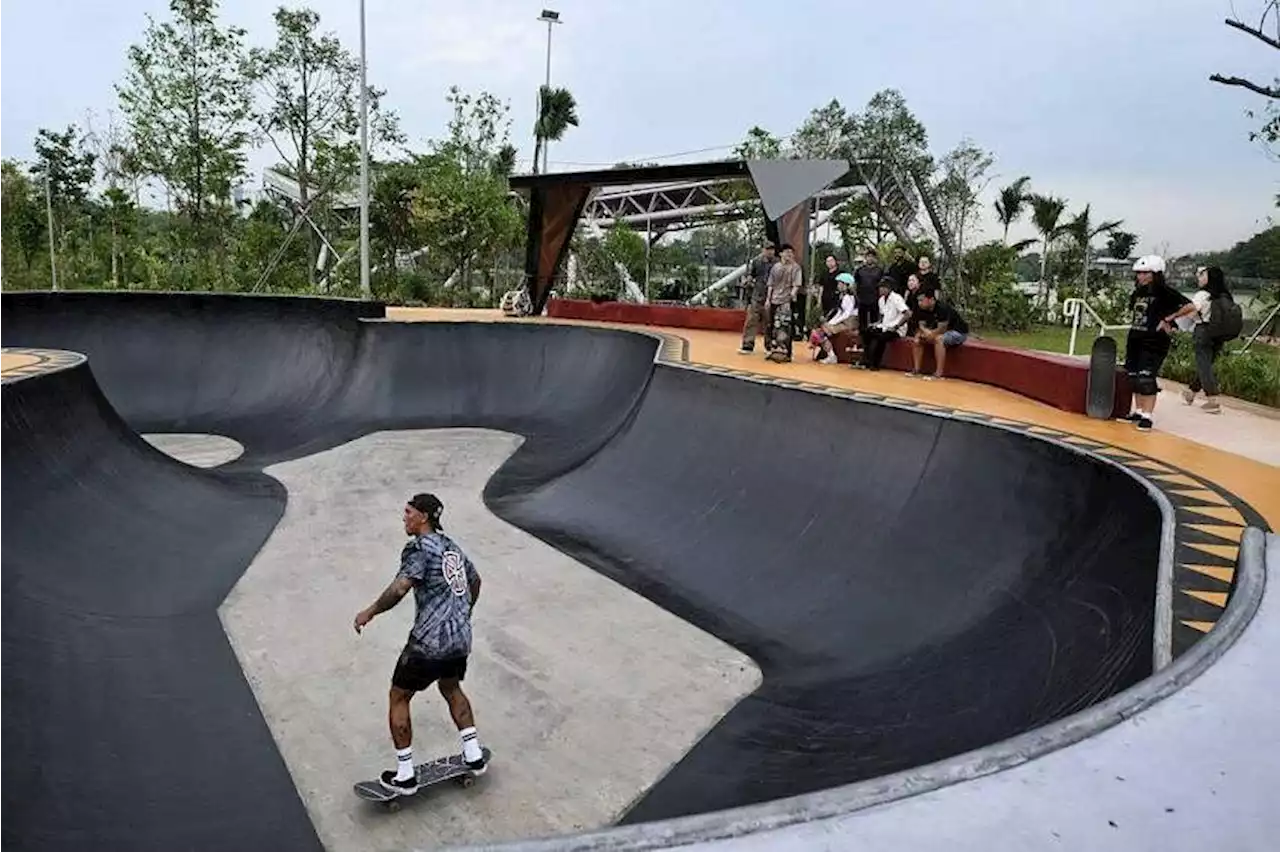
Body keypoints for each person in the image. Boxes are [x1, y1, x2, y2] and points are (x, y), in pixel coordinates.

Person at [354, 493, 487, 795]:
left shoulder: (418, 549)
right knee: (451, 687)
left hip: (429, 643)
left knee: (398, 696)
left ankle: (405, 775)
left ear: (423, 516)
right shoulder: (450, 546)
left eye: (408, 512)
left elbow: (400, 588)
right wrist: (463, 613)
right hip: (460, 638)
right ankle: (474, 754)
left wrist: (370, 611)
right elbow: (475, 581)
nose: (404, 517)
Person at [1120, 255, 1191, 430]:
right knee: (1134, 376)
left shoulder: (1164, 292)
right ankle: (1137, 410)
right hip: (1136, 337)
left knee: (1146, 377)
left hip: (1155, 340)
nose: (1141, 277)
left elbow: (1190, 306)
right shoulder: (1138, 292)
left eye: (1145, 273)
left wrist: (1169, 318)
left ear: (1155, 274)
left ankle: (1147, 415)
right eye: (1139, 273)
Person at [1181, 265, 1235, 414]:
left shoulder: (1202, 295)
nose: (1199, 278)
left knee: (1203, 364)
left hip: (1203, 330)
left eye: (1202, 275)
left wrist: (1176, 318)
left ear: (1209, 278)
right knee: (1206, 363)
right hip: (1219, 333)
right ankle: (1191, 391)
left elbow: (1192, 310)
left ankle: (1213, 399)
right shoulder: (1225, 296)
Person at [909, 290, 969, 380]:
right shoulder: (921, 309)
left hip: (956, 332)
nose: (919, 303)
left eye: (922, 300)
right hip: (934, 331)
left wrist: (930, 334)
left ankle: (938, 373)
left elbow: (942, 329)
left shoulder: (942, 308)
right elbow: (921, 325)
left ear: (932, 300)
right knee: (917, 339)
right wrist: (925, 332)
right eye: (918, 301)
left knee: (939, 339)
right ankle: (916, 369)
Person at [861, 276, 911, 370]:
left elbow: (907, 314)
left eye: (883, 287)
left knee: (880, 338)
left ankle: (876, 363)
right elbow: (883, 317)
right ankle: (867, 359)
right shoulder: (881, 300)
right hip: (885, 325)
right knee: (866, 332)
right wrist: (875, 324)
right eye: (880, 287)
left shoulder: (896, 298)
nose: (881, 289)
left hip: (896, 328)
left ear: (889, 288)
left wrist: (896, 326)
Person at [765, 244, 804, 363]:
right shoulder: (775, 267)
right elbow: (770, 284)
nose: (789, 255)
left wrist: (792, 295)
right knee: (772, 325)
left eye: (791, 252)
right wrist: (768, 299)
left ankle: (786, 352)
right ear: (781, 254)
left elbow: (796, 284)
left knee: (786, 326)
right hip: (774, 299)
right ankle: (773, 350)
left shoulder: (796, 268)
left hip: (786, 301)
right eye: (786, 252)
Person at [808, 272, 857, 364]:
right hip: (842, 321)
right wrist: (831, 322)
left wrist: (833, 324)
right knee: (820, 330)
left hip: (849, 322)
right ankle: (829, 354)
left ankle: (832, 356)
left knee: (821, 332)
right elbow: (839, 312)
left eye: (840, 283)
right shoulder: (842, 296)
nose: (838, 285)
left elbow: (847, 314)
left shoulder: (849, 297)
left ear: (846, 285)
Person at [739, 242, 778, 354]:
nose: (770, 251)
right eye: (767, 249)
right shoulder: (757, 262)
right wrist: (748, 280)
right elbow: (752, 274)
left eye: (772, 249)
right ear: (763, 250)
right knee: (751, 320)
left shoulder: (777, 263)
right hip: (757, 294)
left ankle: (769, 345)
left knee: (769, 322)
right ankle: (748, 344)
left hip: (771, 296)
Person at [853, 246, 884, 342]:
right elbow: (855, 284)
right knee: (862, 324)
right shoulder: (860, 270)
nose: (870, 258)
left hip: (874, 300)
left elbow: (882, 285)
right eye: (868, 256)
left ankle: (873, 343)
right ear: (865, 258)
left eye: (872, 256)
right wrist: (856, 296)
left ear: (875, 258)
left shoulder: (879, 270)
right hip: (862, 299)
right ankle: (863, 342)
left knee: (874, 323)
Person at [817, 254, 844, 319]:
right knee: (826, 317)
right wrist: (819, 300)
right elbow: (821, 287)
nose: (829, 263)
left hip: (836, 299)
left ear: (835, 261)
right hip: (825, 299)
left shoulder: (841, 273)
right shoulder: (824, 274)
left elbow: (843, 287)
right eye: (828, 261)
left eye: (831, 260)